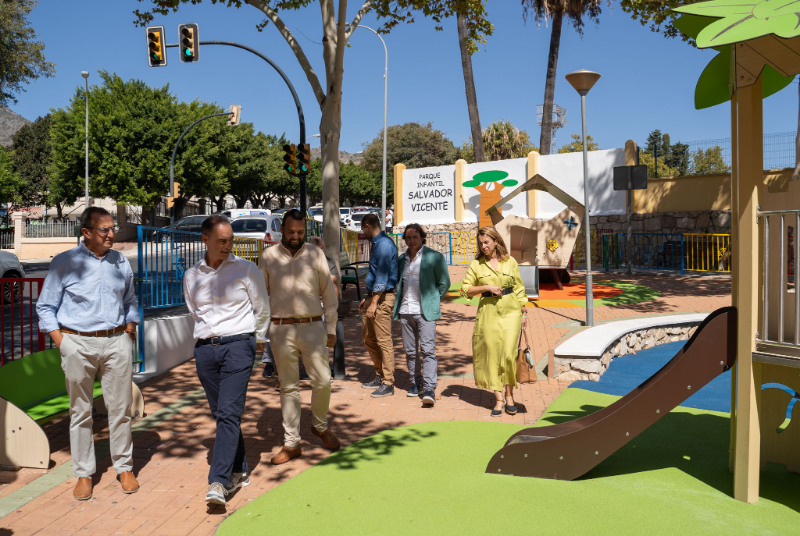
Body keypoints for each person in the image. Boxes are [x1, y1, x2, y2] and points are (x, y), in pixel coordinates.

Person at [37, 207, 140, 501]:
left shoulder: (119, 260)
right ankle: (83, 473)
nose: (111, 235)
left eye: (113, 229)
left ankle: (124, 467)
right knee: (80, 411)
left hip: (117, 341)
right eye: (104, 230)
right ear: (86, 233)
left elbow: (130, 298)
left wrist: (130, 331)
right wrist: (63, 342)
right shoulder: (65, 262)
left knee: (120, 409)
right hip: (77, 344)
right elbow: (45, 307)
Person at [183, 216, 270, 505]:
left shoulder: (246, 269)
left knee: (229, 413)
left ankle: (218, 482)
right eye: (222, 240)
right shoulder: (192, 275)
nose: (228, 245)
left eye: (230, 239)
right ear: (204, 240)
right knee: (223, 414)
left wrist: (256, 342)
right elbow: (195, 311)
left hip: (238, 347)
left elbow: (262, 308)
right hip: (206, 350)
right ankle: (240, 468)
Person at [260, 209, 341, 465]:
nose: (295, 236)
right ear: (281, 230)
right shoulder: (268, 256)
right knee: (288, 387)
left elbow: (328, 294)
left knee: (323, 381)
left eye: (300, 232)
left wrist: (330, 328)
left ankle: (319, 425)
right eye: (291, 232)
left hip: (313, 327)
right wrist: (260, 334)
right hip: (281, 329)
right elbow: (260, 298)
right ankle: (291, 443)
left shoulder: (315, 254)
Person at [460, 226, 527, 417]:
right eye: (481, 243)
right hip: (488, 311)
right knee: (491, 354)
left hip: (511, 310)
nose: (483, 246)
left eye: (486, 242)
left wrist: (524, 314)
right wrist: (486, 286)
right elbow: (465, 289)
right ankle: (499, 399)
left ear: (496, 241)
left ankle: (509, 395)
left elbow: (519, 288)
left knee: (507, 354)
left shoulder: (510, 261)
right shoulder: (477, 264)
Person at [392, 224, 450, 406]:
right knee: (410, 352)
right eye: (408, 238)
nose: (411, 241)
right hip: (405, 311)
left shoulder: (434, 257)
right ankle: (415, 383)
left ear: (422, 237)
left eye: (414, 237)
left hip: (425, 312)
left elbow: (444, 283)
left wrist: (433, 300)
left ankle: (430, 387)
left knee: (427, 351)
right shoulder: (402, 260)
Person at [359, 213, 399, 397]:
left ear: (367, 226)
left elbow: (382, 278)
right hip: (374, 297)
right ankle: (380, 374)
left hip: (382, 298)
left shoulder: (382, 244)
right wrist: (368, 299)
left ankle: (388, 382)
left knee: (384, 341)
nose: (362, 232)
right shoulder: (377, 243)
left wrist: (373, 302)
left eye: (362, 229)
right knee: (369, 338)